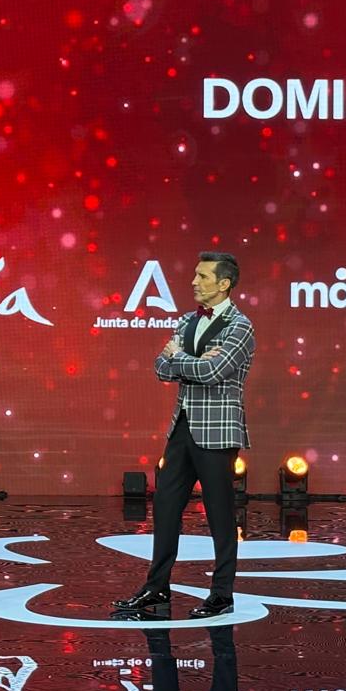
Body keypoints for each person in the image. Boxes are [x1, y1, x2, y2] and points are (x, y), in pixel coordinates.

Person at [114, 251, 253, 619]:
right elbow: (160, 367)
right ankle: (156, 588)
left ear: (223, 284)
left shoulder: (240, 326)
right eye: (194, 274)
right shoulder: (188, 320)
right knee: (165, 508)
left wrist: (181, 360)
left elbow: (215, 371)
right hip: (182, 427)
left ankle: (222, 594)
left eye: (202, 276)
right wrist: (188, 361)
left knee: (220, 515)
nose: (193, 282)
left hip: (217, 432)